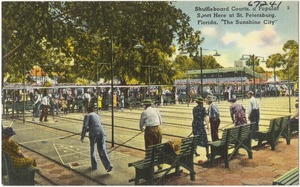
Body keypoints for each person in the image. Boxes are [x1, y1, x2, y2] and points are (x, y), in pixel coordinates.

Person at [80, 106, 113, 172]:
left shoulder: (87, 115)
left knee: (93, 149)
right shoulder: (96, 115)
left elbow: (85, 126)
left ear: (87, 110)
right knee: (102, 149)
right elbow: (96, 125)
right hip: (102, 132)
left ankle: (94, 166)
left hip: (93, 134)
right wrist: (88, 129)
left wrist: (82, 136)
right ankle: (108, 165)